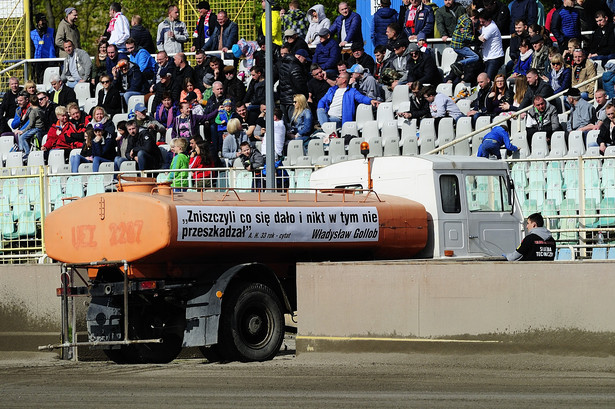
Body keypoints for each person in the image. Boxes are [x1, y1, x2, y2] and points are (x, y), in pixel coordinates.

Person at [449, 6, 479, 77]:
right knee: (475, 57)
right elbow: (466, 36)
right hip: (460, 45)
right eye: (477, 20)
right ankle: (459, 64)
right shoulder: (468, 22)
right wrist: (476, 38)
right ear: (474, 17)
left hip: (455, 44)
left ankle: (460, 68)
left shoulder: (463, 17)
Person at [12, 93, 44, 159]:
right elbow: (13, 125)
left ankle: (26, 153)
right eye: (18, 101)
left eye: (21, 101)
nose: (18, 102)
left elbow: (30, 124)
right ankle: (22, 151)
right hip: (34, 128)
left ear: (27, 100)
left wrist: (22, 131)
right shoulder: (18, 110)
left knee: (21, 136)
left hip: (36, 128)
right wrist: (21, 119)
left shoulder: (32, 111)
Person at [478, 10, 504, 82]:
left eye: (483, 22)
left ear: (489, 20)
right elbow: (478, 33)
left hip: (495, 57)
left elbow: (481, 39)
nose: (481, 23)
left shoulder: (492, 27)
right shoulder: (485, 26)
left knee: (488, 80)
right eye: (480, 21)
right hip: (487, 57)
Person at [31, 13, 56, 84]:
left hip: (50, 59)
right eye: (42, 20)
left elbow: (56, 45)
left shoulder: (52, 31)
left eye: (45, 20)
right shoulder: (32, 34)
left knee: (51, 79)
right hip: (38, 59)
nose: (44, 22)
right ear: (38, 22)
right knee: (39, 79)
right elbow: (32, 49)